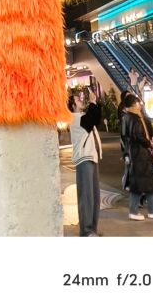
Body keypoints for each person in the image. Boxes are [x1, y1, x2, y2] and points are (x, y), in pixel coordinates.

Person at [120, 93, 153, 221]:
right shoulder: (135, 118)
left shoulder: (126, 117)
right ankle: (149, 211)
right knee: (146, 182)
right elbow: (138, 135)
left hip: (134, 153)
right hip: (141, 154)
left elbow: (125, 136)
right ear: (134, 104)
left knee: (141, 184)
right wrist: (148, 143)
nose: (140, 105)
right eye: (138, 103)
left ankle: (145, 210)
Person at [68, 90, 102, 236]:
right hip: (84, 159)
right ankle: (86, 231)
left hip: (91, 157)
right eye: (78, 99)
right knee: (86, 196)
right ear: (72, 105)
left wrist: (95, 103)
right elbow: (90, 120)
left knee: (94, 196)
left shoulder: (82, 117)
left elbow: (96, 118)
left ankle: (92, 229)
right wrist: (93, 102)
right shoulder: (75, 118)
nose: (81, 100)